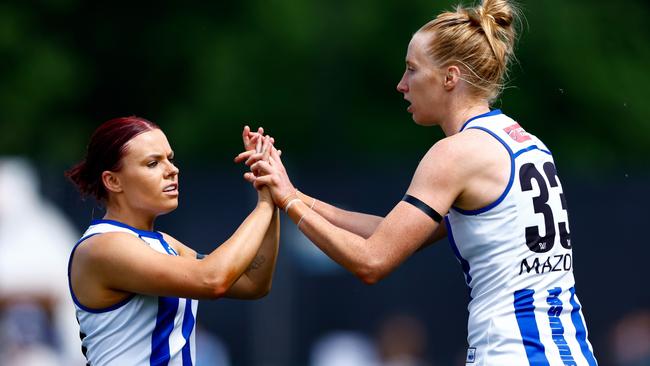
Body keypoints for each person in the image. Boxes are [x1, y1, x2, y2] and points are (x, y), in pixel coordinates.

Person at [236, 0, 598, 364]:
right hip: (570, 351)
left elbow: (372, 261)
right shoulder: (525, 143)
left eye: (412, 70)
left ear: (450, 77)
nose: (401, 85)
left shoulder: (454, 154)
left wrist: (288, 203)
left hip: (511, 352)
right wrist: (294, 193)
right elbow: (387, 235)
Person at [65, 117, 279, 365]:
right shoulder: (103, 246)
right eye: (153, 163)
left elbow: (254, 283)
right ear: (113, 181)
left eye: (170, 158)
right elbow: (212, 280)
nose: (172, 170)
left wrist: (269, 193)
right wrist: (264, 207)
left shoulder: (163, 243)